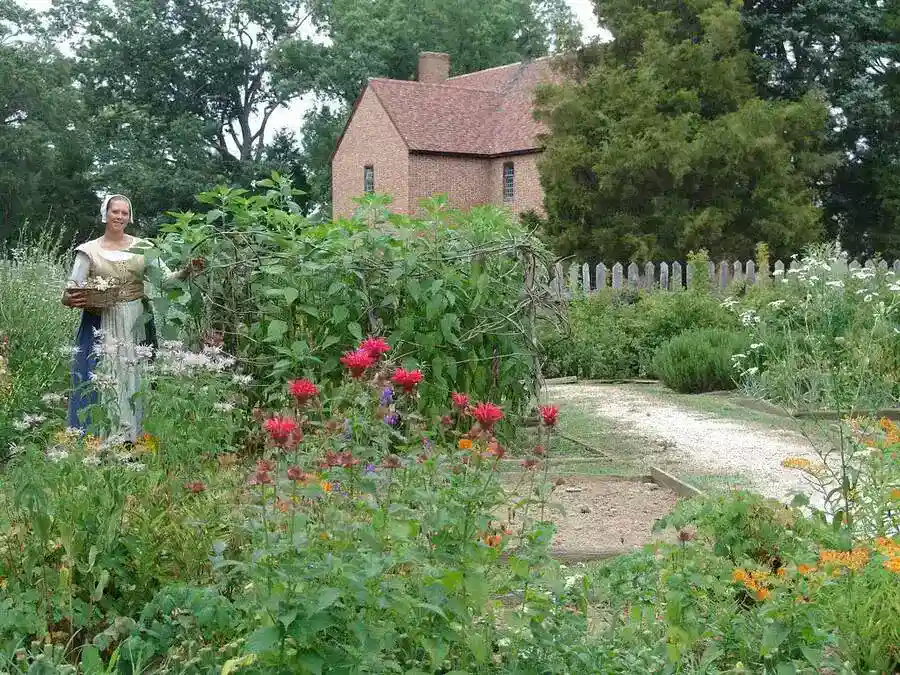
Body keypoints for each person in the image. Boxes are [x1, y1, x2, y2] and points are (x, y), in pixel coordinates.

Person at [62, 194, 202, 442]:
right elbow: (72, 287)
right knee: (101, 373)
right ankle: (98, 436)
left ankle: (129, 436)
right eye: (115, 211)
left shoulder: (143, 248)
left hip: (134, 319)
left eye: (124, 213)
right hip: (100, 320)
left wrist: (187, 270)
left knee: (131, 374)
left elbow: (165, 280)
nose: (119, 216)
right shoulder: (89, 250)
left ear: (130, 216)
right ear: (105, 214)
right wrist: (69, 299)